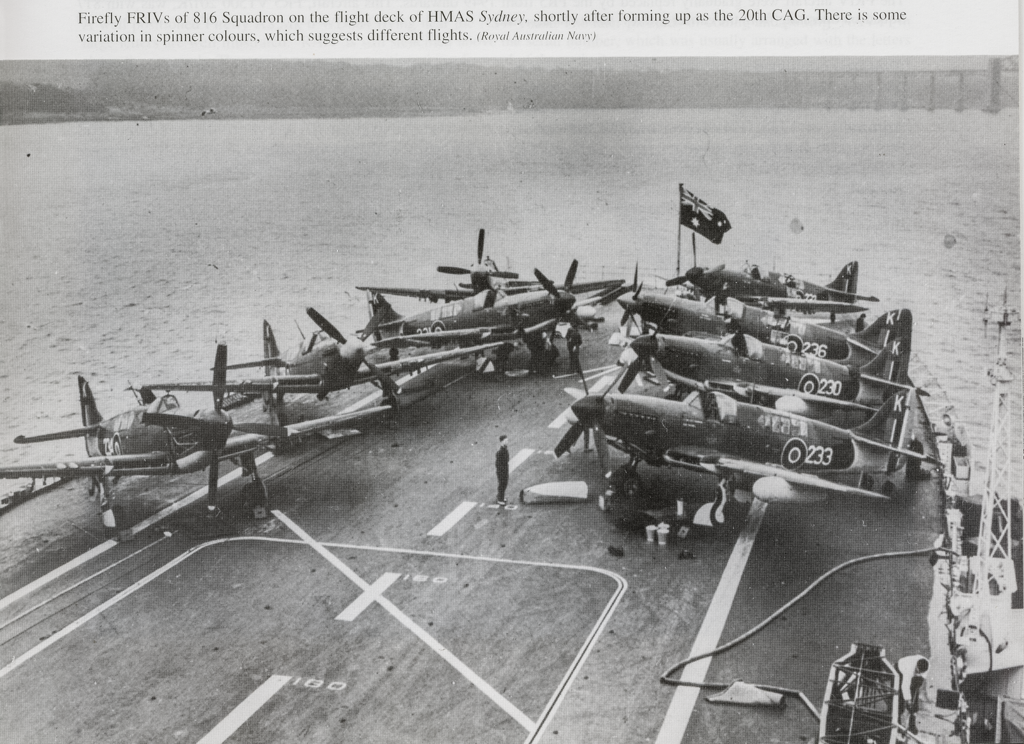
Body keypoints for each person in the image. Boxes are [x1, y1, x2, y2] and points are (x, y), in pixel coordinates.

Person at [495, 434, 510, 506]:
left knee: (504, 484)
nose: (507, 442)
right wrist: (502, 472)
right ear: (502, 442)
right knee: (502, 484)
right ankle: (500, 499)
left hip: (504, 470)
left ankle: (501, 497)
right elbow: (497, 464)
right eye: (506, 440)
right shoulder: (500, 452)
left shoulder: (504, 449)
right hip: (502, 471)